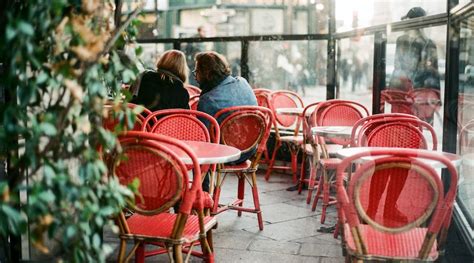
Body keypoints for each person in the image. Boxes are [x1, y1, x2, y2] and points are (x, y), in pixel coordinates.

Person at [194, 51, 258, 191]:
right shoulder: (243, 82)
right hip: (250, 150)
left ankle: (200, 196)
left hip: (228, 155)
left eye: (196, 71)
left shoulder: (208, 99)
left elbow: (202, 137)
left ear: (206, 73)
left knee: (198, 151)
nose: (195, 76)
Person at [389, 7, 441, 90]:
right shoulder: (402, 41)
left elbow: (431, 71)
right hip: (408, 90)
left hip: (412, 90)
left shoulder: (427, 43)